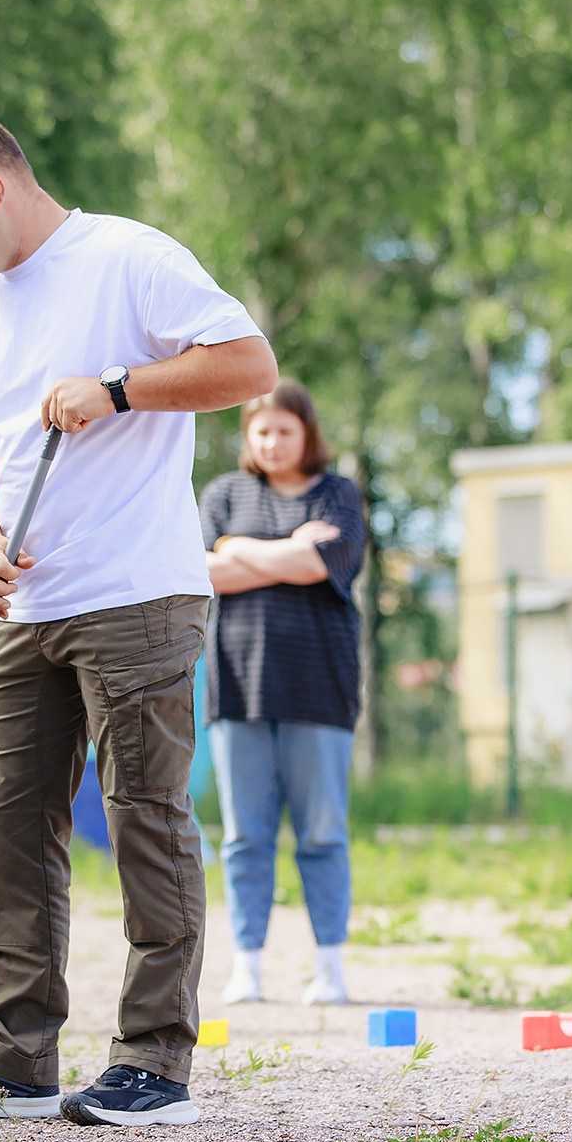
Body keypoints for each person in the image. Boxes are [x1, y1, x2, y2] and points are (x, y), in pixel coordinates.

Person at [0, 109, 278, 1128]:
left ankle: (154, 1059)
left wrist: (118, 388)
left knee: (145, 816)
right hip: (25, 603)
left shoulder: (126, 258)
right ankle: (18, 1058)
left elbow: (248, 365)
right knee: (7, 820)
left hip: (137, 593)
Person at [199, 380, 367, 1006]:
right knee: (245, 835)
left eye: (284, 430)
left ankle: (329, 966)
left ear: (307, 434)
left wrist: (242, 551)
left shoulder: (338, 494)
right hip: (238, 689)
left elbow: (324, 567)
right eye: (260, 430)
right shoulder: (222, 496)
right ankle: (248, 965)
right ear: (248, 436)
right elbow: (204, 572)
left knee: (322, 831)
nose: (271, 441)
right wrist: (290, 548)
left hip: (320, 688)